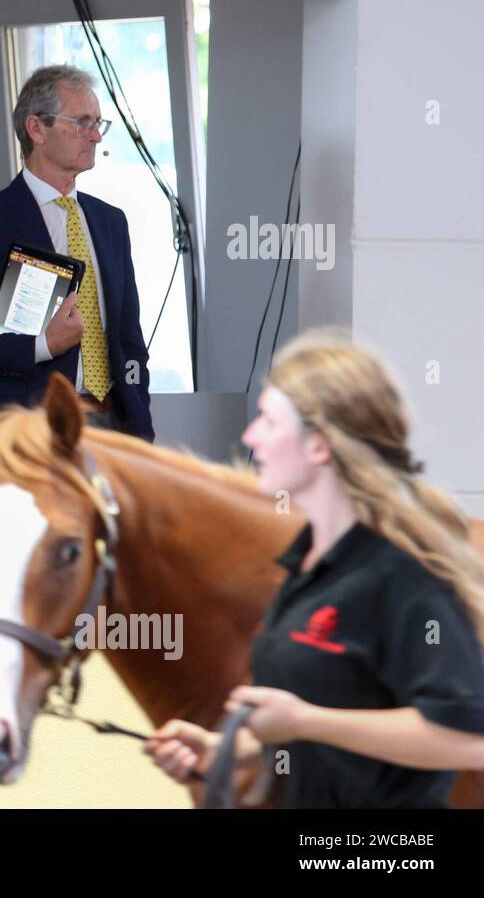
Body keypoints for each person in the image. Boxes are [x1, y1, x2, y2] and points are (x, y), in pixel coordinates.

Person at [144, 331, 484, 807]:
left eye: (268, 420)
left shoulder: (402, 576)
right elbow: (331, 721)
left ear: (319, 446)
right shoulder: (303, 569)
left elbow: (470, 740)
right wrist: (229, 750)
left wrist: (305, 721)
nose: (249, 435)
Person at [0, 64, 152, 440]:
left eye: (98, 123)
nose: (95, 135)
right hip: (29, 427)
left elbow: (129, 338)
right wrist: (40, 347)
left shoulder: (111, 222)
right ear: (36, 129)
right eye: (81, 122)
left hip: (113, 426)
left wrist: (140, 422)